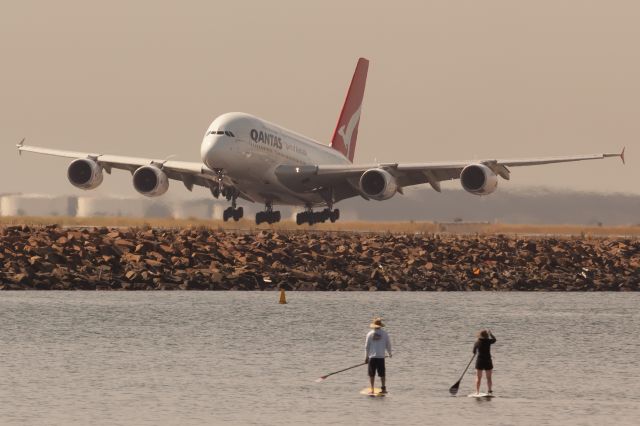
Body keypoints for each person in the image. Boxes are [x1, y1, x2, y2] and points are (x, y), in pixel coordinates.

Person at [365, 317, 392, 394]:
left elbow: (366, 346)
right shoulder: (385, 334)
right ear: (380, 325)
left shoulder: (369, 334)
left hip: (372, 357)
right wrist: (389, 353)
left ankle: (372, 389)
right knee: (382, 373)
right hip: (381, 357)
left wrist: (366, 358)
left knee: (371, 374)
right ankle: (383, 388)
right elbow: (388, 345)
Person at [473, 329, 497, 394]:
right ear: (487, 336)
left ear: (480, 335)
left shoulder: (477, 342)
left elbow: (474, 352)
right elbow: (495, 339)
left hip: (480, 361)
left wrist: (476, 352)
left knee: (478, 378)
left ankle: (477, 392)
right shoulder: (488, 341)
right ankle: (489, 390)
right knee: (489, 378)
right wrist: (491, 334)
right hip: (488, 361)